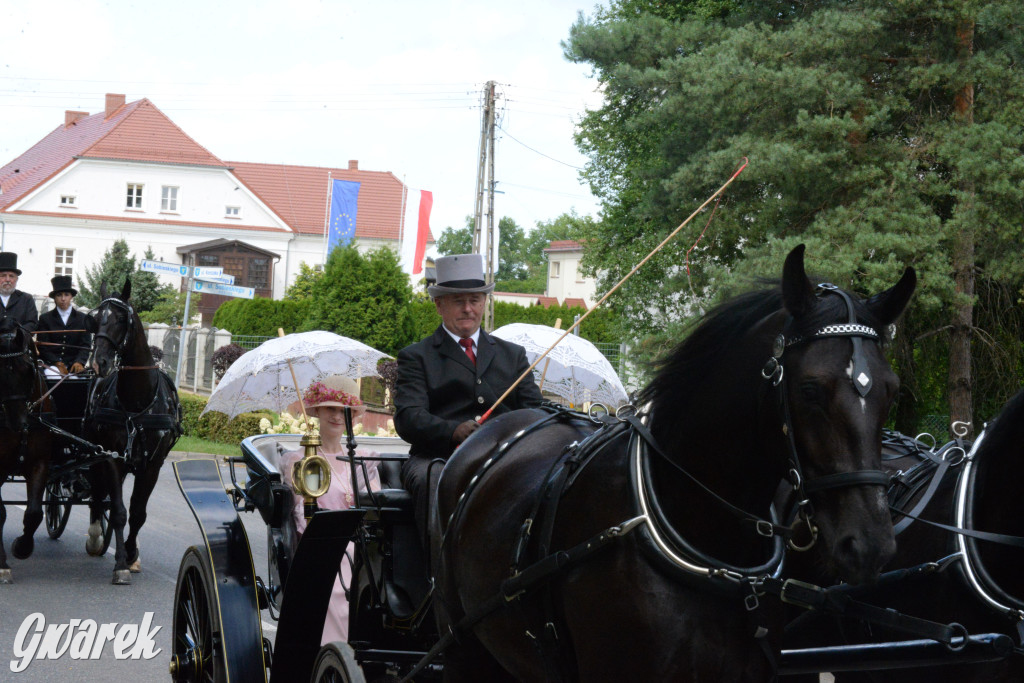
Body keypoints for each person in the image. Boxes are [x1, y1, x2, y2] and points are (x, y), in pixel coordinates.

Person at [394, 253, 543, 545]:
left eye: (474, 300)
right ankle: (437, 575)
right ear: (439, 304)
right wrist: (453, 431)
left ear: (484, 302)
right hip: (435, 458)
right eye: (458, 301)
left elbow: (534, 410)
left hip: (503, 457)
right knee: (433, 478)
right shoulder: (416, 356)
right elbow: (408, 417)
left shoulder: (512, 355)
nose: (468, 309)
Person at [280, 376, 381, 645]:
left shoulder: (364, 459)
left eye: (343, 411)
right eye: (330, 409)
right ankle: (336, 651)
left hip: (363, 539)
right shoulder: (300, 460)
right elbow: (302, 515)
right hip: (321, 542)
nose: (337, 416)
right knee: (345, 558)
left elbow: (373, 506)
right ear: (317, 412)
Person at [36, 275, 97, 376]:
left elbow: (85, 345)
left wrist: (79, 362)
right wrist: (57, 363)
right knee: (52, 377)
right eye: (59, 295)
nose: (63, 299)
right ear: (55, 298)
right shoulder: (45, 318)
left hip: (74, 364)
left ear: (71, 297)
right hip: (51, 365)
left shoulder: (82, 318)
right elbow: (43, 346)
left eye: (66, 295)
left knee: (80, 382)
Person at [0, 252, 38, 332]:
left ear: (16, 279)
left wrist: (16, 333)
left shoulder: (26, 299)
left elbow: (32, 323)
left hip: (19, 343)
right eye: (3, 275)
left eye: (11, 276)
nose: (7, 280)